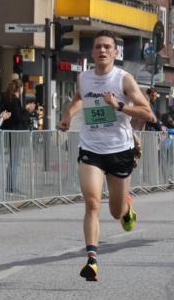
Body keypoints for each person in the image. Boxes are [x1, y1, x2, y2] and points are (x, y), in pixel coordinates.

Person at [57, 30, 154, 282]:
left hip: (120, 150)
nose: (102, 50)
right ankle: (92, 260)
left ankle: (126, 209)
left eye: (107, 47)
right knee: (92, 203)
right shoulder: (84, 78)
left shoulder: (124, 79)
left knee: (115, 212)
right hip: (91, 149)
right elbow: (80, 98)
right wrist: (68, 115)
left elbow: (148, 113)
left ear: (115, 52)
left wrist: (119, 106)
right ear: (92, 52)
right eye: (98, 46)